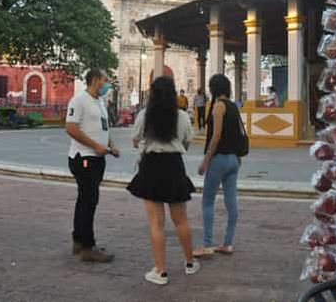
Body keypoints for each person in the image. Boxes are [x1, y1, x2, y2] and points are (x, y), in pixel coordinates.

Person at [126, 76, 199, 285]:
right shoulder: (182, 116)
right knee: (181, 220)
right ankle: (190, 263)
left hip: (151, 166)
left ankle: (160, 271)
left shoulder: (144, 115)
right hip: (174, 166)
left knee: (156, 223)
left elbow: (135, 139)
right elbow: (187, 141)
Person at [65, 69, 120, 263]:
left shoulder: (100, 102)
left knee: (86, 200)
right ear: (95, 80)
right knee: (89, 201)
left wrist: (110, 145)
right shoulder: (79, 100)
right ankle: (88, 247)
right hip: (84, 157)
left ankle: (79, 239)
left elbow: (103, 127)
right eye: (105, 80)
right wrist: (95, 145)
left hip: (97, 157)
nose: (107, 84)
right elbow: (70, 128)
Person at [194, 74, 241, 258]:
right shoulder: (234, 107)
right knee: (231, 201)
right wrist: (238, 156)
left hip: (218, 159)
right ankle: (228, 243)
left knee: (207, 201)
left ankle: (207, 244)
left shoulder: (218, 106)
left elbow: (216, 135)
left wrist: (206, 160)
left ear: (213, 88)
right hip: (233, 159)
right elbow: (237, 133)